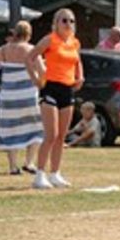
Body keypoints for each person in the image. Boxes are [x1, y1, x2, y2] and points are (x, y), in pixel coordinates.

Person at [33, 10, 84, 189]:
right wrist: (36, 79)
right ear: (56, 22)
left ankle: (55, 173)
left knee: (62, 135)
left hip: (67, 89)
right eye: (64, 20)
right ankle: (39, 174)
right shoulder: (50, 39)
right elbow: (31, 57)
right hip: (50, 87)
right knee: (51, 134)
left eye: (71, 21)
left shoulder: (74, 42)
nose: (68, 24)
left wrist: (80, 76)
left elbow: (77, 61)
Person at [0, 20, 45, 178]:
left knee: (10, 128)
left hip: (8, 95)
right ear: (29, 34)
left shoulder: (2, 50)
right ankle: (29, 162)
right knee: (36, 128)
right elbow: (41, 70)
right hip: (27, 93)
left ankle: (12, 166)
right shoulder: (31, 49)